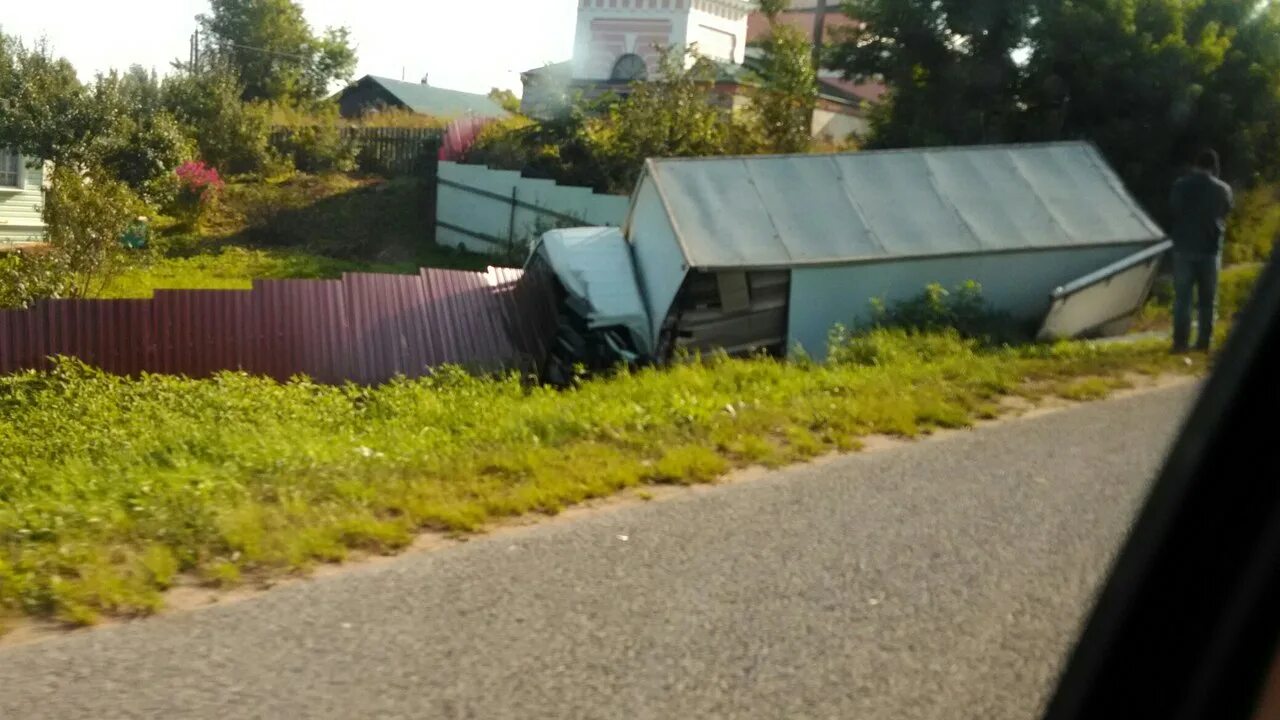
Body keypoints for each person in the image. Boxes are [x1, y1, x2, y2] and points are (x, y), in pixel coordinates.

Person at [1169, 149, 1234, 353]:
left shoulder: (1180, 186)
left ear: (1195, 164)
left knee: (1182, 299)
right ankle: (1204, 342)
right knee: (1207, 300)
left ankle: (1180, 342)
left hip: (1183, 249)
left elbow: (1174, 210)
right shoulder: (1223, 189)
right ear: (1214, 167)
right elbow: (1226, 211)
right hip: (1209, 250)